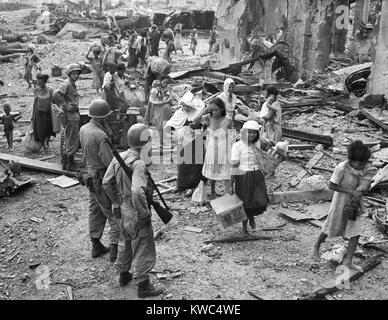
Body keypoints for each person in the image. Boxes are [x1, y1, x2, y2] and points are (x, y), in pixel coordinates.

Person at [102, 124, 164, 298]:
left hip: (123, 209)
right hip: (136, 210)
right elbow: (137, 191)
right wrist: (144, 213)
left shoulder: (119, 157)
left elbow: (106, 183)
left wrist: (117, 200)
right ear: (145, 143)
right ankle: (143, 285)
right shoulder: (138, 164)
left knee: (125, 242)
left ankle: (123, 274)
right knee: (143, 245)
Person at [312, 141, 377, 272]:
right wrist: (351, 191)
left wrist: (363, 188)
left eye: (364, 164)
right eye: (359, 164)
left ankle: (348, 261)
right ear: (351, 160)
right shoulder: (342, 168)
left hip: (355, 203)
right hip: (340, 201)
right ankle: (316, 246)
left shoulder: (364, 168)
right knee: (331, 225)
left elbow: (366, 182)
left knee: (356, 231)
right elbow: (332, 185)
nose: (362, 166)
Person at [79, 99, 120, 262]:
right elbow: (110, 163)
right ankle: (115, 251)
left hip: (90, 175)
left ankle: (96, 244)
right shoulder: (100, 135)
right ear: (104, 116)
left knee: (95, 210)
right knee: (113, 212)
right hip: (102, 177)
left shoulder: (84, 129)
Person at [230, 121, 273, 234]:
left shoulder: (257, 144)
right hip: (243, 176)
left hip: (257, 175)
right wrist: (230, 185)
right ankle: (245, 226)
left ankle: (251, 218)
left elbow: (269, 148)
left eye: (254, 133)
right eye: (249, 133)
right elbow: (234, 166)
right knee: (245, 202)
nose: (251, 135)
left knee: (257, 199)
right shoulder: (237, 146)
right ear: (244, 132)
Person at [165, 91, 206, 197]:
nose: (185, 108)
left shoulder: (197, 112)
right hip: (183, 141)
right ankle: (181, 185)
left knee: (194, 165)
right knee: (182, 164)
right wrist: (173, 131)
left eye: (187, 106)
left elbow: (202, 125)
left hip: (195, 141)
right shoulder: (180, 112)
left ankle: (192, 186)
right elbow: (171, 124)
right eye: (183, 106)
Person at [193, 97, 233, 199]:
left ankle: (229, 192)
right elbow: (195, 120)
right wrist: (206, 109)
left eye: (216, 110)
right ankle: (212, 191)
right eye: (212, 110)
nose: (214, 112)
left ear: (222, 109)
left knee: (226, 172)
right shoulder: (208, 118)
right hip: (212, 148)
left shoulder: (228, 120)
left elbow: (232, 135)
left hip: (224, 149)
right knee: (212, 172)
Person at [53, 63, 81, 171]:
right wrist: (65, 106)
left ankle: (66, 163)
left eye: (77, 74)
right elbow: (56, 95)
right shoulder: (67, 83)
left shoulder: (72, 84)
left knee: (69, 139)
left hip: (72, 115)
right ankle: (70, 164)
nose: (76, 76)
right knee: (72, 139)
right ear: (69, 74)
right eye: (74, 74)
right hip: (70, 116)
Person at [32, 73, 54, 152]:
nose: (39, 83)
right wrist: (32, 115)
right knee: (40, 131)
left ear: (45, 82)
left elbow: (52, 103)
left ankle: (47, 142)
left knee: (48, 129)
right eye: (38, 82)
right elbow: (35, 103)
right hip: (39, 113)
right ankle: (44, 147)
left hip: (48, 113)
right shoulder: (36, 91)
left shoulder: (50, 90)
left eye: (41, 82)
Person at [149, 78, 173, 153]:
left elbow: (153, 101)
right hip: (166, 108)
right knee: (166, 126)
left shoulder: (154, 91)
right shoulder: (167, 90)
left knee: (160, 127)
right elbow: (171, 100)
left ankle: (162, 145)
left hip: (160, 109)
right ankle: (166, 144)